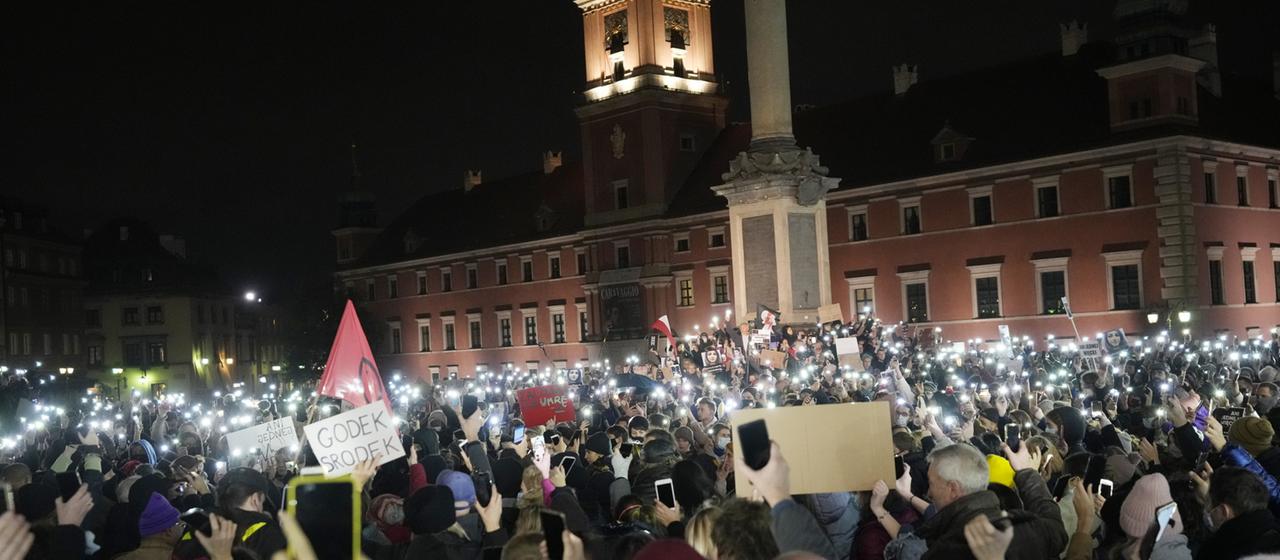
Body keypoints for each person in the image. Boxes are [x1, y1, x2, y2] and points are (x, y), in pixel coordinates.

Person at [910, 443, 1066, 559]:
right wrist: (1026, 472)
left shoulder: (948, 551)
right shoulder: (1023, 527)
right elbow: (1056, 527)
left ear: (953, 489)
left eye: (931, 483)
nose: (929, 493)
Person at [1194, 466, 1280, 560]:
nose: (1205, 511)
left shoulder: (1223, 552)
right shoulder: (1268, 533)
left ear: (1223, 512)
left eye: (1205, 507)